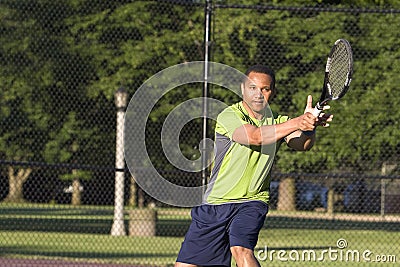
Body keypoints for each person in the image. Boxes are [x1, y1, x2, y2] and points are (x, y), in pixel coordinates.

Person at [175, 65, 332, 267]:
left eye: (265, 89)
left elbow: (301, 144)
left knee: (241, 251)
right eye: (252, 88)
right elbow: (255, 137)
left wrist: (310, 127)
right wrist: (298, 122)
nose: (258, 94)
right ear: (243, 89)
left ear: (272, 92)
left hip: (252, 202)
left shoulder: (278, 121)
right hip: (216, 203)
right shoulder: (229, 115)